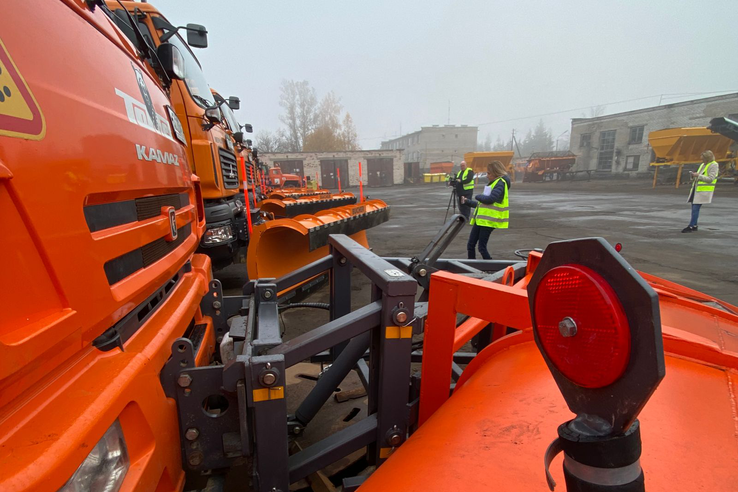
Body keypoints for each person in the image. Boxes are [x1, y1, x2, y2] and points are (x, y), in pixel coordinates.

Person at [462, 160, 510, 259]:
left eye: (489, 173)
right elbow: (482, 204)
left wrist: (478, 196)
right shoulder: (494, 183)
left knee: (481, 248)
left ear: (496, 173)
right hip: (481, 221)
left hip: (488, 221)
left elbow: (490, 200)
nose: (487, 176)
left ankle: (490, 268)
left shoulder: (500, 183)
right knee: (470, 245)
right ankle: (471, 266)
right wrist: (468, 202)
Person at [682, 150, 718, 233]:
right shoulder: (703, 165)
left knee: (695, 208)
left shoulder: (714, 165)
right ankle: (694, 225)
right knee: (694, 208)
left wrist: (699, 176)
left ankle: (691, 226)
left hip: (703, 190)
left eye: (703, 159)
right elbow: (700, 176)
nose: (702, 160)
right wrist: (694, 176)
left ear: (707, 158)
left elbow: (711, 179)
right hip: (696, 189)